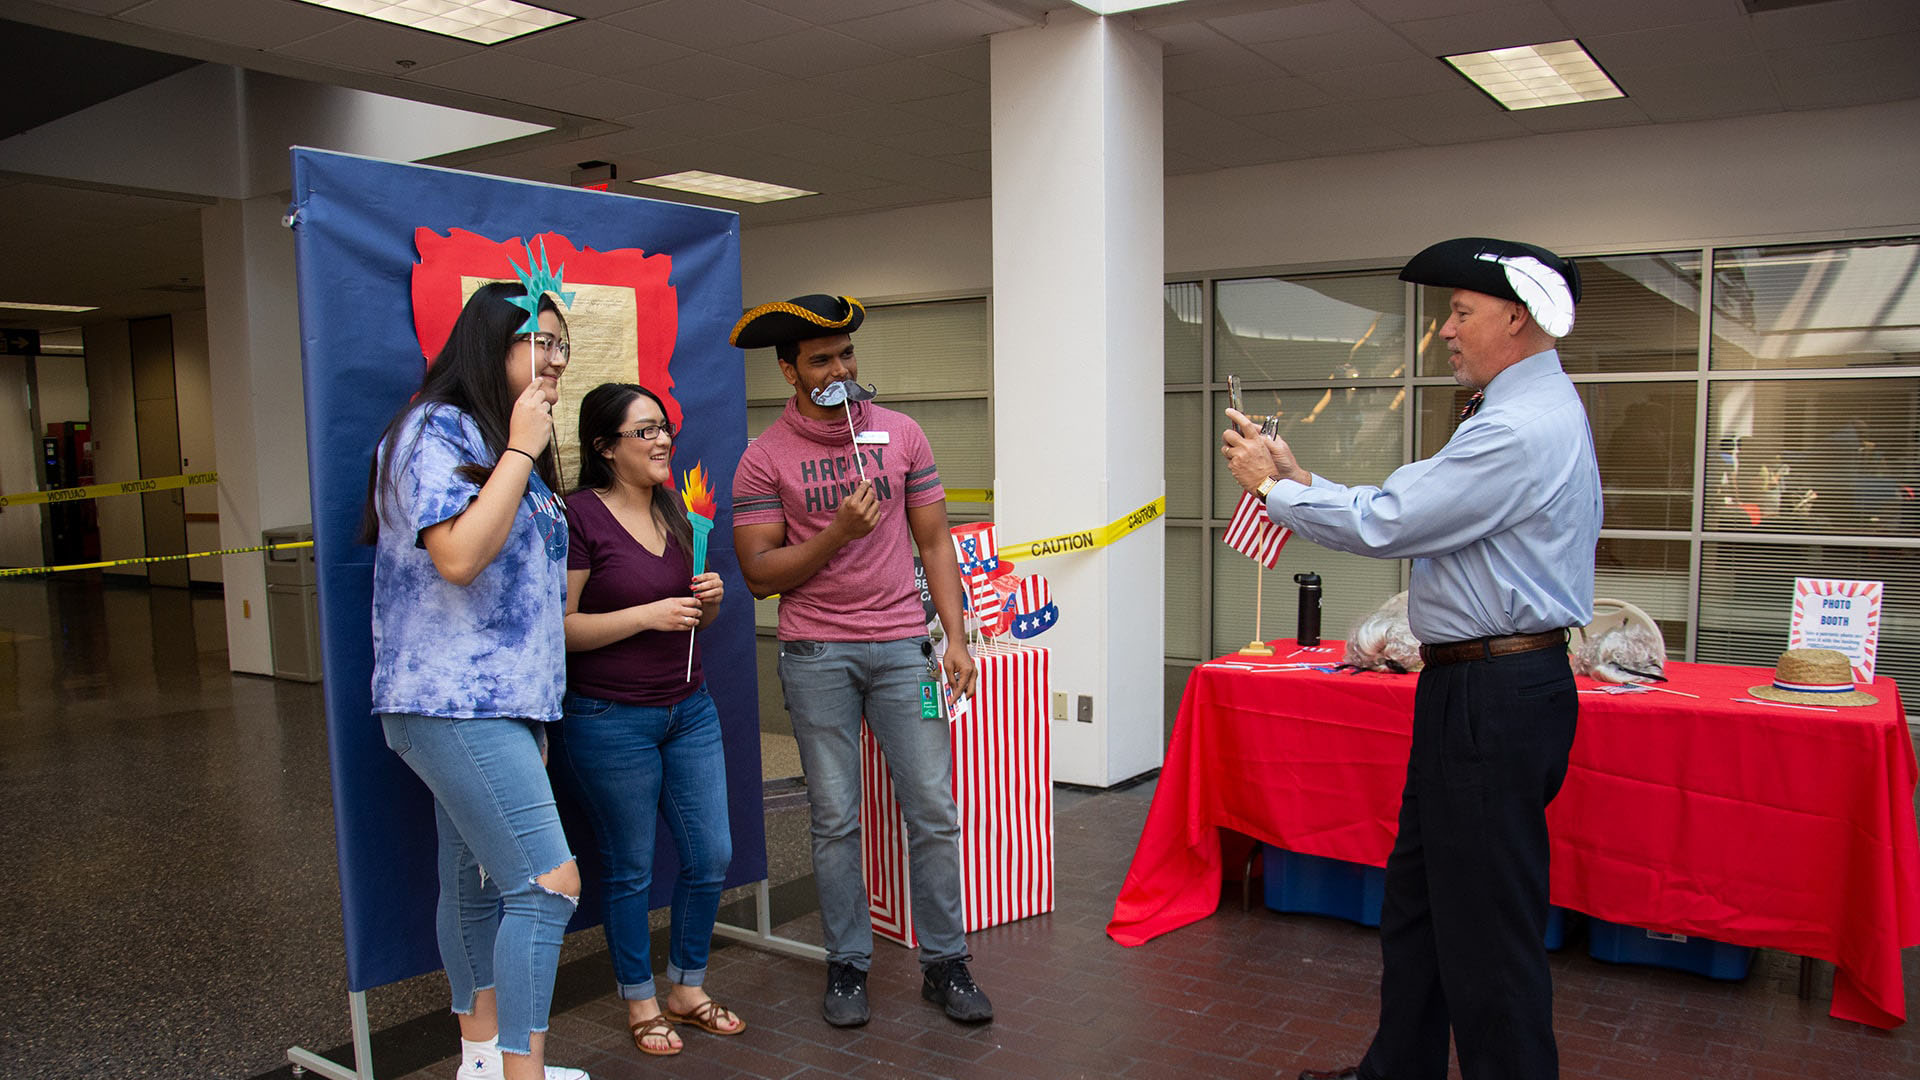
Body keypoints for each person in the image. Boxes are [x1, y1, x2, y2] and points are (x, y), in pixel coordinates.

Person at [1221, 238, 1602, 1080]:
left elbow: (1392, 522)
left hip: (1491, 697)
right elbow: (1419, 511)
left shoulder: (1519, 425)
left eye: (1461, 313)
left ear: (1517, 316)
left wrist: (1273, 488)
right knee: (1423, 906)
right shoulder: (1520, 411)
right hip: (1475, 689)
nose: (1446, 333)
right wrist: (1298, 477)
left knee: (1488, 934)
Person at [727, 293, 992, 1028]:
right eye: (821, 360)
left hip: (906, 649)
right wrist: (838, 531)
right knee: (835, 816)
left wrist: (956, 636)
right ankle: (847, 966)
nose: (840, 369)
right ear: (789, 371)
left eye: (846, 354)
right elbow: (760, 574)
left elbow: (935, 542)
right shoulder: (763, 459)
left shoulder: (900, 434)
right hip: (816, 653)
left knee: (934, 809)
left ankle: (946, 963)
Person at [361, 281, 588, 1080]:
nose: (556, 359)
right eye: (540, 342)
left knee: (475, 879)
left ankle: (483, 1060)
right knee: (548, 885)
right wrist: (523, 451)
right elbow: (457, 558)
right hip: (451, 701)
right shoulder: (435, 428)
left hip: (503, 705)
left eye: (563, 344)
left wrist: (534, 718)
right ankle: (520, 1076)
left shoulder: (498, 437)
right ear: (489, 347)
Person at [551, 382, 741, 1057]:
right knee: (629, 868)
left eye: (664, 428)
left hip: (690, 709)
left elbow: (697, 619)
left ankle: (687, 987)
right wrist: (646, 616)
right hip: (608, 718)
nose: (662, 441)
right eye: (643, 432)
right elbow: (560, 629)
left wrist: (709, 601)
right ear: (605, 447)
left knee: (710, 853)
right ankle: (639, 999)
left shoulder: (681, 513)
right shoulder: (577, 516)